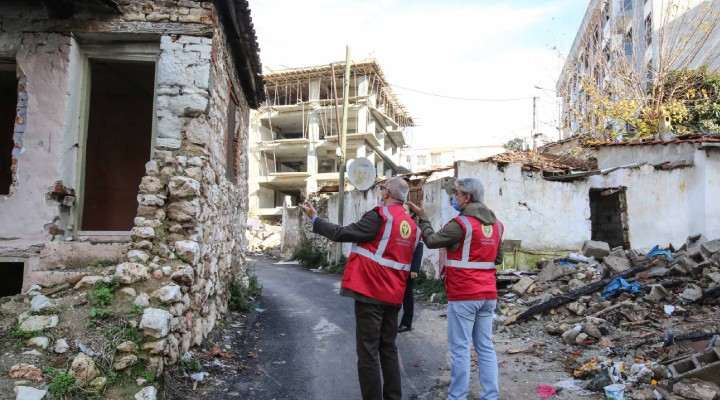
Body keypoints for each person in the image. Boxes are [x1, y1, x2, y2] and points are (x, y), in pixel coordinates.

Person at [298, 176, 420, 400]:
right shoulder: (412, 226)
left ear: (386, 194)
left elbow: (341, 233)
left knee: (368, 352)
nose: (380, 192)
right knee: (389, 349)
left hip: (372, 292)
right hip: (395, 295)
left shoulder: (380, 216)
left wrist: (315, 219)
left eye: (382, 189)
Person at [407, 177, 504, 400]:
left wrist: (423, 217)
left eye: (457, 193)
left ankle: (457, 396)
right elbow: (497, 258)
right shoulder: (497, 225)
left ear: (468, 197)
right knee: (485, 347)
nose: (454, 197)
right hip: (488, 294)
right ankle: (490, 396)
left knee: (460, 349)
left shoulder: (460, 224)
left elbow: (431, 240)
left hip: (464, 293)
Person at [398, 205, 424, 333]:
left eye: (405, 211)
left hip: (408, 270)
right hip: (397, 268)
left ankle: (406, 323)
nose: (402, 213)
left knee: (407, 296)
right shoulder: (397, 226)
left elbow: (419, 249)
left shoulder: (414, 229)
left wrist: (414, 269)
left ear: (411, 215)